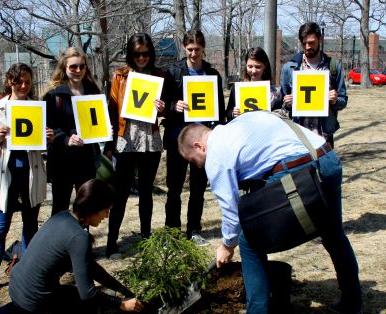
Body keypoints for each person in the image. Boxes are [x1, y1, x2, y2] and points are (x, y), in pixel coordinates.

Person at [177, 112, 363, 314]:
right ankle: (353, 306)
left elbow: (230, 208)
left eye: (192, 160)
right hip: (326, 158)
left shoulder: (216, 153)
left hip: (297, 170)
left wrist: (227, 244)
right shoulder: (237, 127)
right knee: (333, 234)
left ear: (199, 146)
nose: (196, 167)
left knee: (250, 241)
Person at [0, 179, 144, 314]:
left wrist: (120, 289)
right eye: (106, 210)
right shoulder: (79, 238)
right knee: (80, 303)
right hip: (35, 298)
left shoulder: (63, 217)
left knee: (38, 298)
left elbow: (90, 267)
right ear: (93, 208)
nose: (107, 216)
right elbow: (88, 293)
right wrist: (121, 304)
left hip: (18, 286)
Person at [0, 63, 53, 298]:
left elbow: (41, 145)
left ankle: (28, 272)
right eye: (18, 81)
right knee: (0, 228)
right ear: (10, 81)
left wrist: (48, 138)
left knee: (31, 226)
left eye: (28, 82)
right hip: (5, 176)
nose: (23, 86)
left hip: (30, 174)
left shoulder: (37, 108)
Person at [105, 33, 167, 258]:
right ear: (130, 54)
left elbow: (168, 107)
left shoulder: (159, 75)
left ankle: (146, 238)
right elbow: (112, 109)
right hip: (126, 137)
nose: (142, 57)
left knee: (146, 193)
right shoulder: (120, 75)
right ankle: (112, 243)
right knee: (120, 194)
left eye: (146, 53)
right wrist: (109, 143)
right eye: (137, 53)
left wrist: (163, 108)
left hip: (149, 138)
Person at [162, 29, 225, 246]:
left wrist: (217, 133)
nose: (193, 54)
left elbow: (219, 111)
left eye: (197, 49)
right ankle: (171, 231)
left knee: (198, 189)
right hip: (178, 139)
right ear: (184, 48)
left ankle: (194, 230)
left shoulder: (213, 75)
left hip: (202, 141)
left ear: (203, 48)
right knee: (174, 188)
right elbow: (161, 106)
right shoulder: (172, 72)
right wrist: (173, 106)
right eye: (189, 49)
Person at [44, 47, 101, 215]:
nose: (78, 70)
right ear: (64, 67)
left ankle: (83, 240)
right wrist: (66, 139)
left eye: (81, 66)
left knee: (85, 206)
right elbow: (49, 126)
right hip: (62, 159)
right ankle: (60, 241)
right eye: (73, 67)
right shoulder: (53, 95)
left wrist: (104, 128)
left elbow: (96, 120)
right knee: (60, 208)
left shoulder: (92, 91)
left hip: (87, 158)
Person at [280, 22, 347, 148]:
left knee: (327, 168)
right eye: (304, 43)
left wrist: (335, 100)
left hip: (324, 135)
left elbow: (343, 100)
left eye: (311, 42)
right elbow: (282, 106)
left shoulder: (333, 67)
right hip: (299, 137)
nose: (307, 46)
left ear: (319, 40)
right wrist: (287, 104)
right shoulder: (290, 69)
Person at [226, 47, 283, 120]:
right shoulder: (237, 88)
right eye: (250, 66)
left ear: (265, 66)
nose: (253, 71)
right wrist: (233, 113)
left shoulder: (275, 91)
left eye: (258, 67)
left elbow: (281, 114)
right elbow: (228, 113)